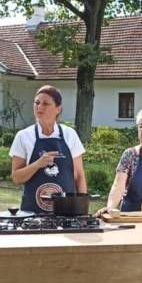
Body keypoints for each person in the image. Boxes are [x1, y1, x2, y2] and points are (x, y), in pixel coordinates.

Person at [10, 85, 87, 213]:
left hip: (67, 212)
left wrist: (82, 210)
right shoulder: (23, 136)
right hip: (32, 214)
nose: (39, 107)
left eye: (45, 103)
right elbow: (16, 177)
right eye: (37, 103)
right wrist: (37, 164)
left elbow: (79, 176)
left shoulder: (70, 135)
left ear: (58, 108)